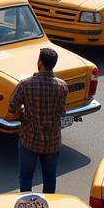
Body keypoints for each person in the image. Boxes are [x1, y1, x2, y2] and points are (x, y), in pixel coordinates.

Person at [6, 47, 68, 194]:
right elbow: (61, 111)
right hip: (52, 142)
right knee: (50, 178)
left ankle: (26, 207)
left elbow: (12, 107)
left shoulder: (26, 84)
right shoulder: (62, 86)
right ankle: (48, 207)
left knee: (26, 178)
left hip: (30, 140)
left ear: (40, 62)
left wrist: (23, 113)